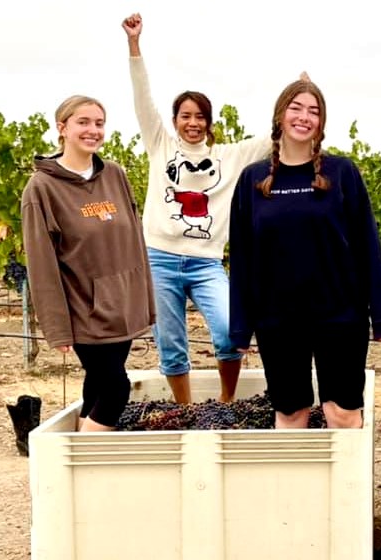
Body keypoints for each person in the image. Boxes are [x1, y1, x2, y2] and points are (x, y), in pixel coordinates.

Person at [229, 76, 381, 429]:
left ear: (321, 122)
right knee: (290, 413)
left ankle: (347, 486)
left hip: (340, 314)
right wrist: (241, 327)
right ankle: (294, 486)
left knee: (343, 413)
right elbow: (242, 260)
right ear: (280, 116)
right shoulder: (252, 181)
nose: (304, 117)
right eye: (296, 108)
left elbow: (368, 245)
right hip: (278, 318)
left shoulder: (342, 173)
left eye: (314, 111)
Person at [122, 13, 270, 404]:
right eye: (185, 116)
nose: (193, 122)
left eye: (199, 116)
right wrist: (134, 46)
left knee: (229, 331)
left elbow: (275, 137)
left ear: (209, 122)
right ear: (174, 121)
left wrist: (299, 96)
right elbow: (142, 97)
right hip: (159, 259)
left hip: (205, 262)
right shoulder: (160, 144)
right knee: (170, 343)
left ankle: (225, 402)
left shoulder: (229, 156)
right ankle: (185, 410)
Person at [21, 95, 155, 432]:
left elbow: (133, 241)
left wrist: (144, 299)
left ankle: (78, 473)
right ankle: (81, 468)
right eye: (83, 122)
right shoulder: (42, 188)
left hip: (121, 306)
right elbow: (42, 264)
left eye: (99, 123)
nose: (93, 130)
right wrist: (56, 326)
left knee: (96, 387)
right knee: (115, 390)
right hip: (83, 311)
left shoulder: (115, 175)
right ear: (62, 128)